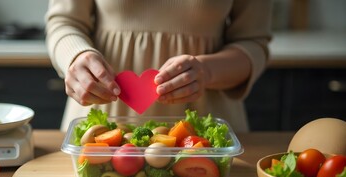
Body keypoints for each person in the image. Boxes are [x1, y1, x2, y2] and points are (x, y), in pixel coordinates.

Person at [45, 0, 272, 132]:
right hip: (102, 125)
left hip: (204, 133)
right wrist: (75, 56)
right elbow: (64, 21)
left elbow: (253, 42)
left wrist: (207, 71)